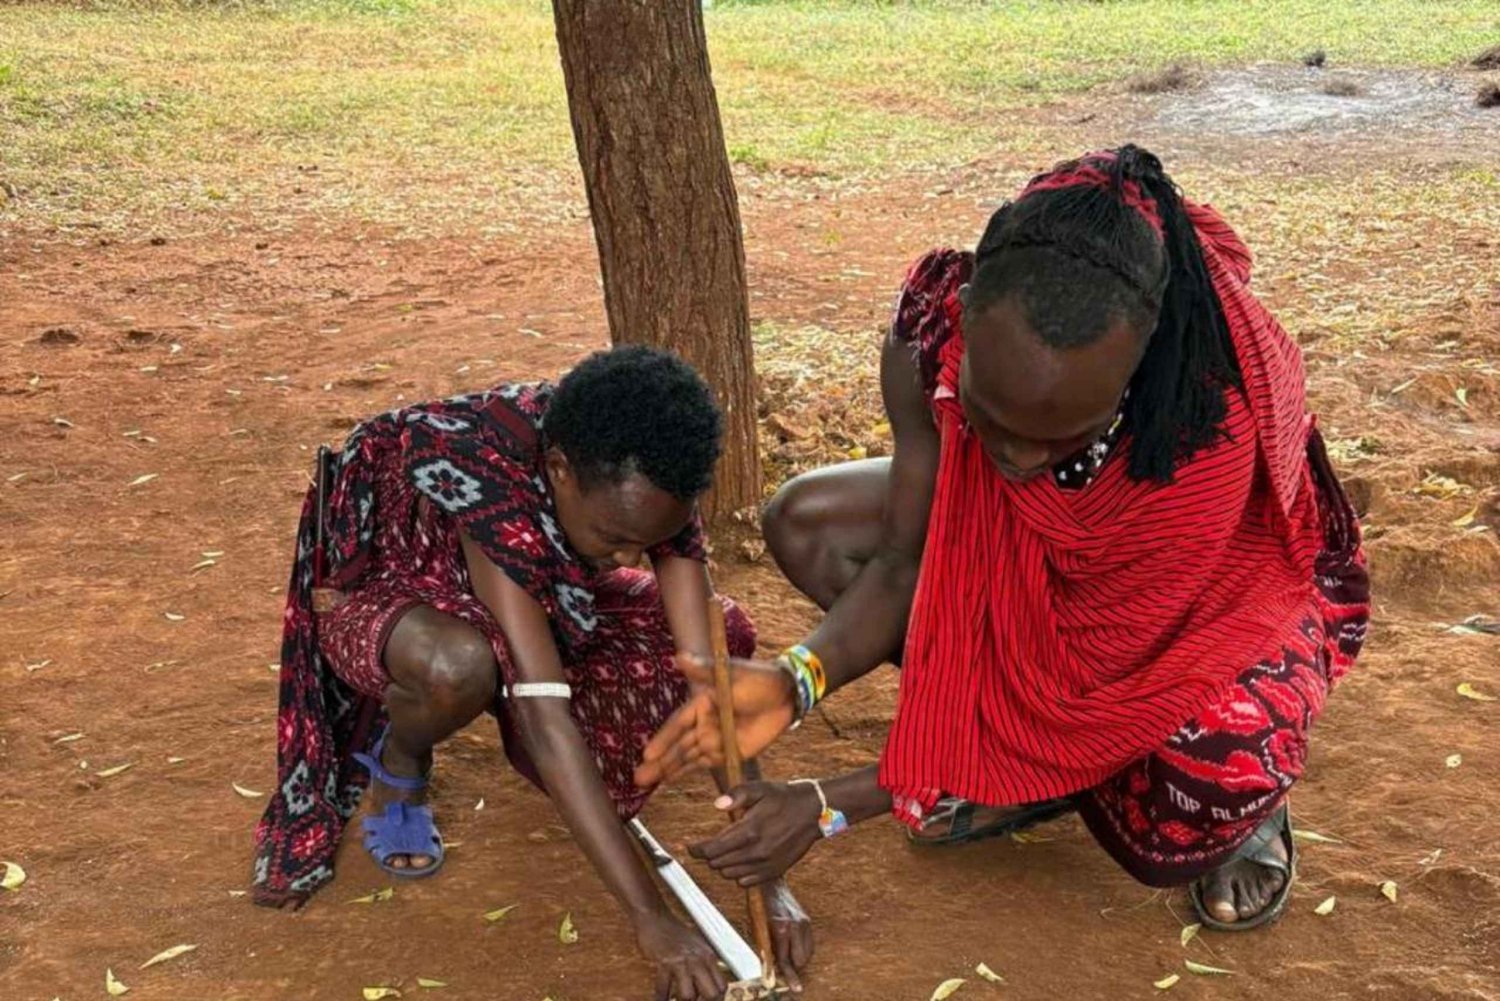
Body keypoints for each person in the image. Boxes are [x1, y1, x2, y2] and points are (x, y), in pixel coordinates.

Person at [637, 147, 1370, 932]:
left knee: (1204, 767)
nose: (1014, 462)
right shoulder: (931, 329)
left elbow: (1078, 692)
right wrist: (796, 678)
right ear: (972, 313)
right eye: (988, 418)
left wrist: (826, 806)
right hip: (1055, 603)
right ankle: (1014, 771)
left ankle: (1241, 812)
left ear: (1131, 376)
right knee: (808, 524)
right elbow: (901, 556)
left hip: (1207, 616)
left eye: (1060, 438)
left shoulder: (1201, 424)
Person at [252, 346, 812, 999]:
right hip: (398, 589)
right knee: (462, 665)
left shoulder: (653, 482)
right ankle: (400, 755)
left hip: (531, 596)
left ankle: (518, 678)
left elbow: (710, 680)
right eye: (614, 537)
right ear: (559, 471)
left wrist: (771, 878)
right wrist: (650, 919)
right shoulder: (490, 481)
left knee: (725, 628)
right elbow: (547, 719)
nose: (628, 559)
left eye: (646, 542)